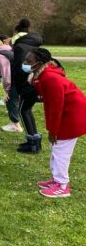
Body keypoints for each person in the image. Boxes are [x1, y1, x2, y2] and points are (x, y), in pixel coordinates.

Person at [24, 48, 86, 198]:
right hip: (68, 115)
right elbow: (46, 97)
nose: (25, 63)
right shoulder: (44, 74)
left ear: (39, 63)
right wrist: (34, 80)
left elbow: (56, 108)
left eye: (29, 61)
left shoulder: (51, 78)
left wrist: (54, 131)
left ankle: (62, 185)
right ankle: (56, 180)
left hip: (72, 117)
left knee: (61, 153)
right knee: (56, 149)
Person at [11, 18, 43, 153]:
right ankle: (34, 141)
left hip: (27, 84)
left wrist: (17, 87)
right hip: (35, 80)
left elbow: (19, 68)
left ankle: (32, 144)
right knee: (27, 110)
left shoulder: (20, 47)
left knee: (23, 110)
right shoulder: (35, 45)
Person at [0, 38, 22, 131]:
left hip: (14, 80)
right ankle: (16, 124)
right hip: (21, 78)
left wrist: (7, 90)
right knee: (16, 101)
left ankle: (16, 126)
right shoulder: (8, 49)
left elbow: (6, 73)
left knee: (10, 100)